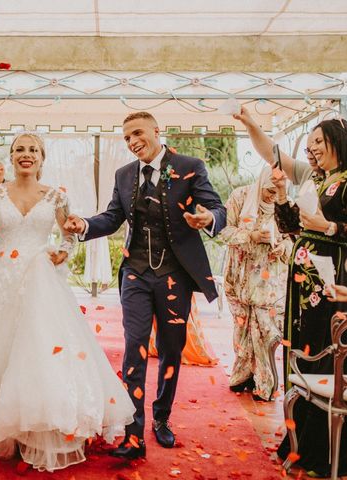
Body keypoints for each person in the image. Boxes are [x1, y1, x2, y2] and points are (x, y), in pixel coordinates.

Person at [0, 133, 135, 472]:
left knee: (39, 350)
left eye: (33, 149)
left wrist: (64, 252)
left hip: (40, 280)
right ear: (12, 156)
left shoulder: (56, 195)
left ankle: (38, 420)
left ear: (42, 157)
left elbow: (70, 233)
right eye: (20, 149)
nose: (26, 155)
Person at [65, 111, 226, 459]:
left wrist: (209, 217)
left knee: (171, 347)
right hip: (136, 273)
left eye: (137, 133)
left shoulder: (190, 165)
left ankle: (162, 418)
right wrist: (85, 225)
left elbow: (216, 206)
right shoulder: (124, 175)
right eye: (126, 138)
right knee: (134, 346)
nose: (132, 141)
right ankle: (133, 432)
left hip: (174, 275)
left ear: (156, 131)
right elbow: (113, 216)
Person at [274, 118, 347, 477]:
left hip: (335, 274)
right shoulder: (320, 180)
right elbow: (292, 227)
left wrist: (331, 227)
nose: (313, 148)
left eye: (319, 141)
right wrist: (280, 195)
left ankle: (323, 450)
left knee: (326, 350)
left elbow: (340, 227)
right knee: (305, 347)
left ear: (338, 139)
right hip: (306, 277)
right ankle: (300, 442)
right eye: (310, 143)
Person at [218, 167, 292, 401]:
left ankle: (266, 382)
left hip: (268, 283)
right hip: (239, 278)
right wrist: (251, 236)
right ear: (261, 182)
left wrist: (284, 247)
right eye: (269, 190)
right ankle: (244, 375)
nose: (271, 196)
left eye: (276, 191)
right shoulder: (240, 197)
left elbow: (295, 238)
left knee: (265, 331)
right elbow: (223, 231)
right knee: (242, 329)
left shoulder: (285, 204)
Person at [233, 106, 323, 186]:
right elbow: (272, 154)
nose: (309, 156)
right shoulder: (308, 172)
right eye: (308, 151)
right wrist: (249, 123)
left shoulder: (335, 181)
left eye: (315, 150)